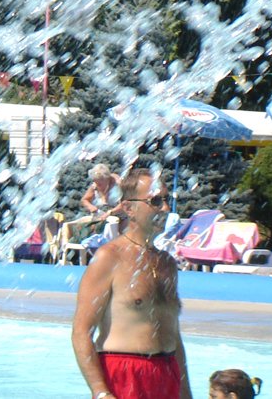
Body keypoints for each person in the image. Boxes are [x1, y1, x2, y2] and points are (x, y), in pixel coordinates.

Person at [72, 167, 192, 399]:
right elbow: (81, 332)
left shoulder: (167, 263)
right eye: (155, 201)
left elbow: (174, 336)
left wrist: (186, 393)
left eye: (166, 200)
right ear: (129, 208)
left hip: (167, 373)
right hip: (123, 374)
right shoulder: (109, 257)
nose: (165, 208)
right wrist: (100, 393)